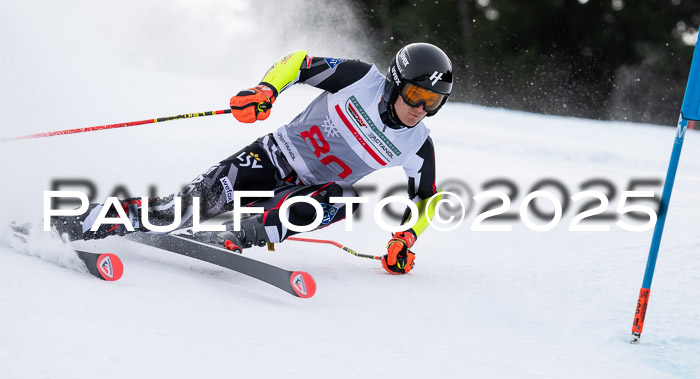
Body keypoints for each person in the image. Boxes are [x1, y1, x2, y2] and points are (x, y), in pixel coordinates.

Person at [52, 43, 453, 275]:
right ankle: (81, 221)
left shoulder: (418, 144)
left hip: (308, 194)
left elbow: (427, 199)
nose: (421, 109)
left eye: (433, 102)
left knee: (346, 198)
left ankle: (242, 234)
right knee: (182, 208)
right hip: (270, 159)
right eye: (417, 95)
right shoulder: (360, 79)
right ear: (396, 83)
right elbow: (298, 63)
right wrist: (266, 90)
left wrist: (406, 237)